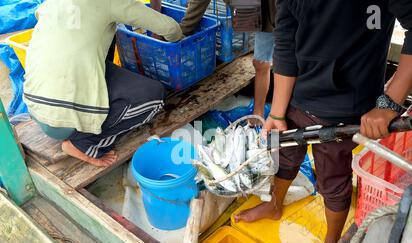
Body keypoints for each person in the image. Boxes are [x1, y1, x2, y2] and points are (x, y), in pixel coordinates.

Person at [234, 0, 412, 243]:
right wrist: (276, 113)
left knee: (332, 179)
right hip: (295, 97)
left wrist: (390, 102)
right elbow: (286, 43)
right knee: (284, 156)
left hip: (347, 106)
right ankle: (275, 204)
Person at [24, 0, 182, 167]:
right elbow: (171, 29)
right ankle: (84, 142)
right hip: (64, 123)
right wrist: (182, 41)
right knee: (155, 95)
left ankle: (79, 128)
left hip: (35, 106)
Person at [179, 0, 276, 119]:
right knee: (261, 63)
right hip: (257, 14)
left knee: (272, 62)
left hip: (279, 14)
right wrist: (180, 34)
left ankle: (268, 114)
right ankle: (258, 115)